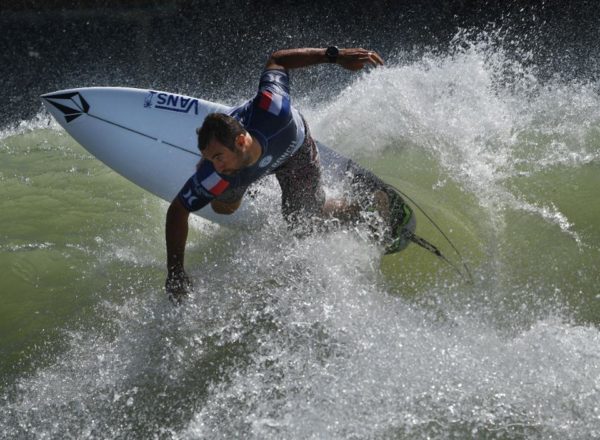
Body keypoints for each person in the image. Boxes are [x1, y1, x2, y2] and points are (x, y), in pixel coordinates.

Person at [164, 47, 412, 303]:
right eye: (208, 158)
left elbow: (278, 59)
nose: (214, 165)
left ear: (240, 141)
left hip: (294, 151)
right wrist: (175, 272)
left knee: (303, 220)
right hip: (243, 168)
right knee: (223, 207)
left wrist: (334, 56)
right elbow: (178, 210)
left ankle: (364, 207)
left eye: (217, 157)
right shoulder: (218, 172)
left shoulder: (274, 109)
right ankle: (251, 184)